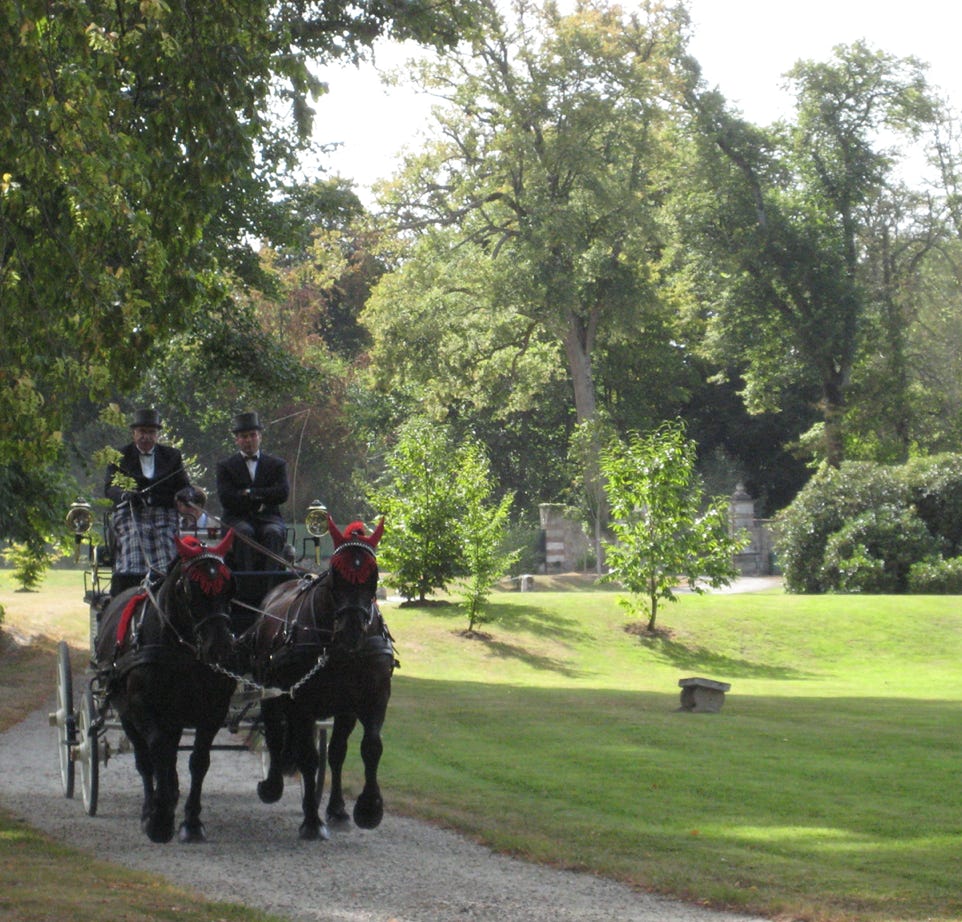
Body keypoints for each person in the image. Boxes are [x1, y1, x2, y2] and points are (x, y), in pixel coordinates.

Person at [104, 408, 191, 597]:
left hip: (164, 513)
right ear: (134, 433)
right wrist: (125, 495)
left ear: (157, 434)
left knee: (166, 546)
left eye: (151, 432)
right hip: (130, 513)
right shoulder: (119, 456)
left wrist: (186, 496)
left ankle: (166, 592)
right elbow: (110, 487)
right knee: (134, 540)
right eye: (142, 432)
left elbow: (184, 486)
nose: (146, 437)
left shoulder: (172, 456)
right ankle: (127, 592)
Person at [215, 411, 289, 571]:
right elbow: (226, 498)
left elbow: (283, 493)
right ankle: (246, 582)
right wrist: (265, 496)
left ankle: (271, 582)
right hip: (236, 519)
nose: (248, 440)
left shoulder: (277, 464)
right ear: (237, 440)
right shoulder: (225, 466)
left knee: (273, 533)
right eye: (244, 436)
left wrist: (250, 493)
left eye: (252, 435)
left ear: (260, 437)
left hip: (269, 518)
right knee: (244, 532)